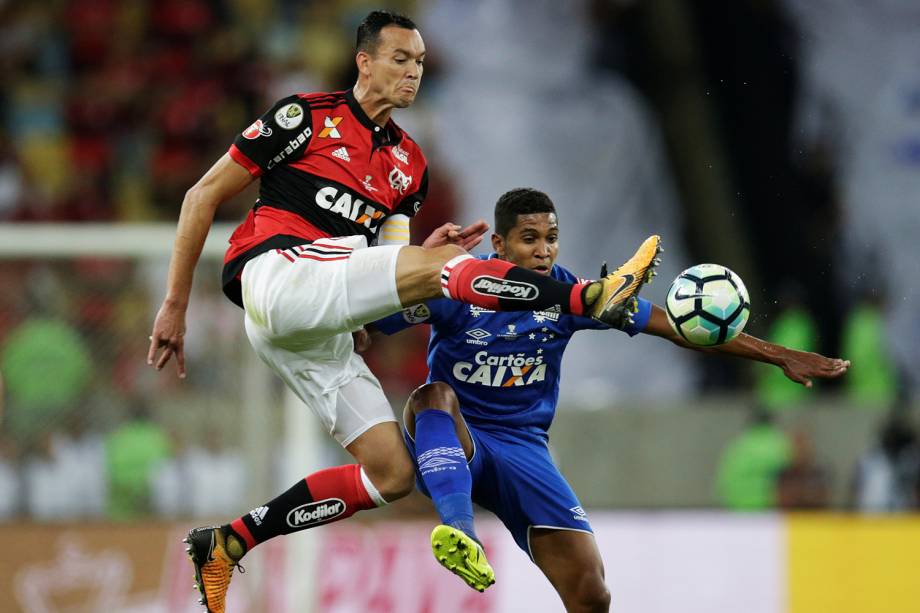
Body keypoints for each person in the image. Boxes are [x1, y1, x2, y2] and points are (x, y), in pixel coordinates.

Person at [145, 12, 662, 613]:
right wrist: (175, 305)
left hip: (310, 327)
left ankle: (228, 542)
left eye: (418, 63)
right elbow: (201, 194)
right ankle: (590, 297)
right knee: (436, 269)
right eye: (400, 59)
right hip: (277, 274)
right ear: (364, 62)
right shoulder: (303, 118)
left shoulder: (409, 165)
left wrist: (423, 258)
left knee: (392, 474)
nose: (413, 73)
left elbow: (394, 270)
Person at [368, 188, 851, 611]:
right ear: (500, 244)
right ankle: (460, 532)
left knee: (592, 593)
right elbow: (379, 322)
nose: (543, 250)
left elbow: (675, 327)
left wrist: (780, 355)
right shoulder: (462, 286)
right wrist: (414, 267)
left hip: (524, 448)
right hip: (456, 443)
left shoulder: (570, 293)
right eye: (529, 238)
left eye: (551, 237)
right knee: (433, 394)